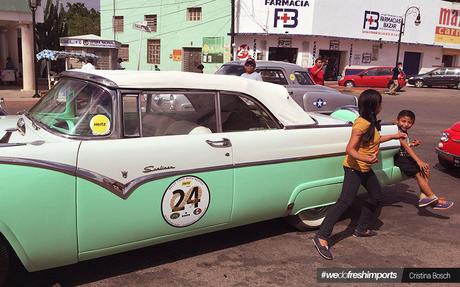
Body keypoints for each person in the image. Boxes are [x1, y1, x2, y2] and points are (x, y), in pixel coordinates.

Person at [313, 89, 406, 260]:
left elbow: (374, 139)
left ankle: (361, 228)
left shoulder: (369, 122)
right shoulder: (361, 124)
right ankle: (322, 236)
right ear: (373, 106)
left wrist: (395, 136)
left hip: (364, 168)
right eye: (380, 103)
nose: (381, 106)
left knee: (377, 196)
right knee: (344, 202)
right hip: (354, 168)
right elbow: (349, 149)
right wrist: (365, 157)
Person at [394, 110, 454, 210]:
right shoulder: (398, 131)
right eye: (403, 121)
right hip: (400, 159)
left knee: (425, 170)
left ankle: (423, 197)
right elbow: (405, 147)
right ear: (397, 121)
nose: (406, 124)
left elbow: (403, 146)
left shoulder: (403, 131)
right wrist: (418, 161)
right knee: (418, 173)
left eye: (409, 122)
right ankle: (434, 199)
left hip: (405, 157)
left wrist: (412, 144)